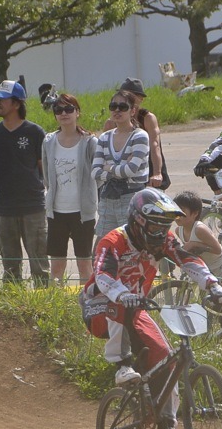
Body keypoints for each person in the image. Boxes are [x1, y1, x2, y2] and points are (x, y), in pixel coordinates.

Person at [80, 189, 222, 429]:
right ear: (139, 221)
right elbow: (103, 276)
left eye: (165, 226)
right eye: (155, 225)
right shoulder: (112, 241)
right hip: (99, 307)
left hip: (133, 308)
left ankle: (167, 427)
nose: (161, 232)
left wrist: (212, 284)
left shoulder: (163, 241)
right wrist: (123, 293)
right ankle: (122, 365)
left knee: (165, 358)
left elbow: (187, 259)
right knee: (120, 304)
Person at [0, 79, 49, 284]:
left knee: (40, 264)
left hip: (33, 207)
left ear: (17, 104)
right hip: (4, 208)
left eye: (2, 99)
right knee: (10, 265)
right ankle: (12, 308)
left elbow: (42, 169)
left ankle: (44, 305)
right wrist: (4, 193)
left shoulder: (35, 132)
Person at [41, 93, 98, 284]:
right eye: (58, 110)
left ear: (77, 113)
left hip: (83, 212)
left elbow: (96, 174)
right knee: (57, 265)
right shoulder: (49, 141)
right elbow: (47, 174)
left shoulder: (89, 141)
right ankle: (56, 305)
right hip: (56, 211)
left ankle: (88, 304)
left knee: (84, 264)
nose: (64, 113)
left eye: (69, 109)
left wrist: (90, 197)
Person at [173, 191, 222, 328]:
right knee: (212, 302)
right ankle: (218, 329)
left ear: (195, 213)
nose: (177, 216)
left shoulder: (200, 229)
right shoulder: (179, 230)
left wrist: (195, 244)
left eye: (182, 211)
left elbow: (217, 249)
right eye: (176, 211)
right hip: (206, 270)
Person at [93, 90, 150, 239]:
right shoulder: (105, 137)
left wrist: (108, 168)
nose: (117, 110)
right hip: (107, 199)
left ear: (133, 111)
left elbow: (131, 170)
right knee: (102, 249)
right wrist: (120, 168)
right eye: (113, 106)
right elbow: (95, 172)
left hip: (132, 198)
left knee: (132, 246)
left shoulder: (140, 136)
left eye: (123, 107)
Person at [104, 78, 170, 190]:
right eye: (125, 96)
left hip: (147, 169)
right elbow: (104, 153)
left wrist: (157, 173)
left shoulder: (147, 118)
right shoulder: (111, 123)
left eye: (132, 96)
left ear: (141, 99)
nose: (127, 99)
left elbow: (155, 146)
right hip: (120, 176)